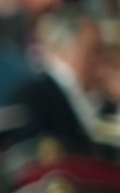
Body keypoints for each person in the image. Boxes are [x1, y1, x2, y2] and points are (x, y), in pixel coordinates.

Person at [8, 8, 112, 148]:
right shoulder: (36, 95)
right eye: (94, 50)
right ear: (65, 50)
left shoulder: (100, 94)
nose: (101, 59)